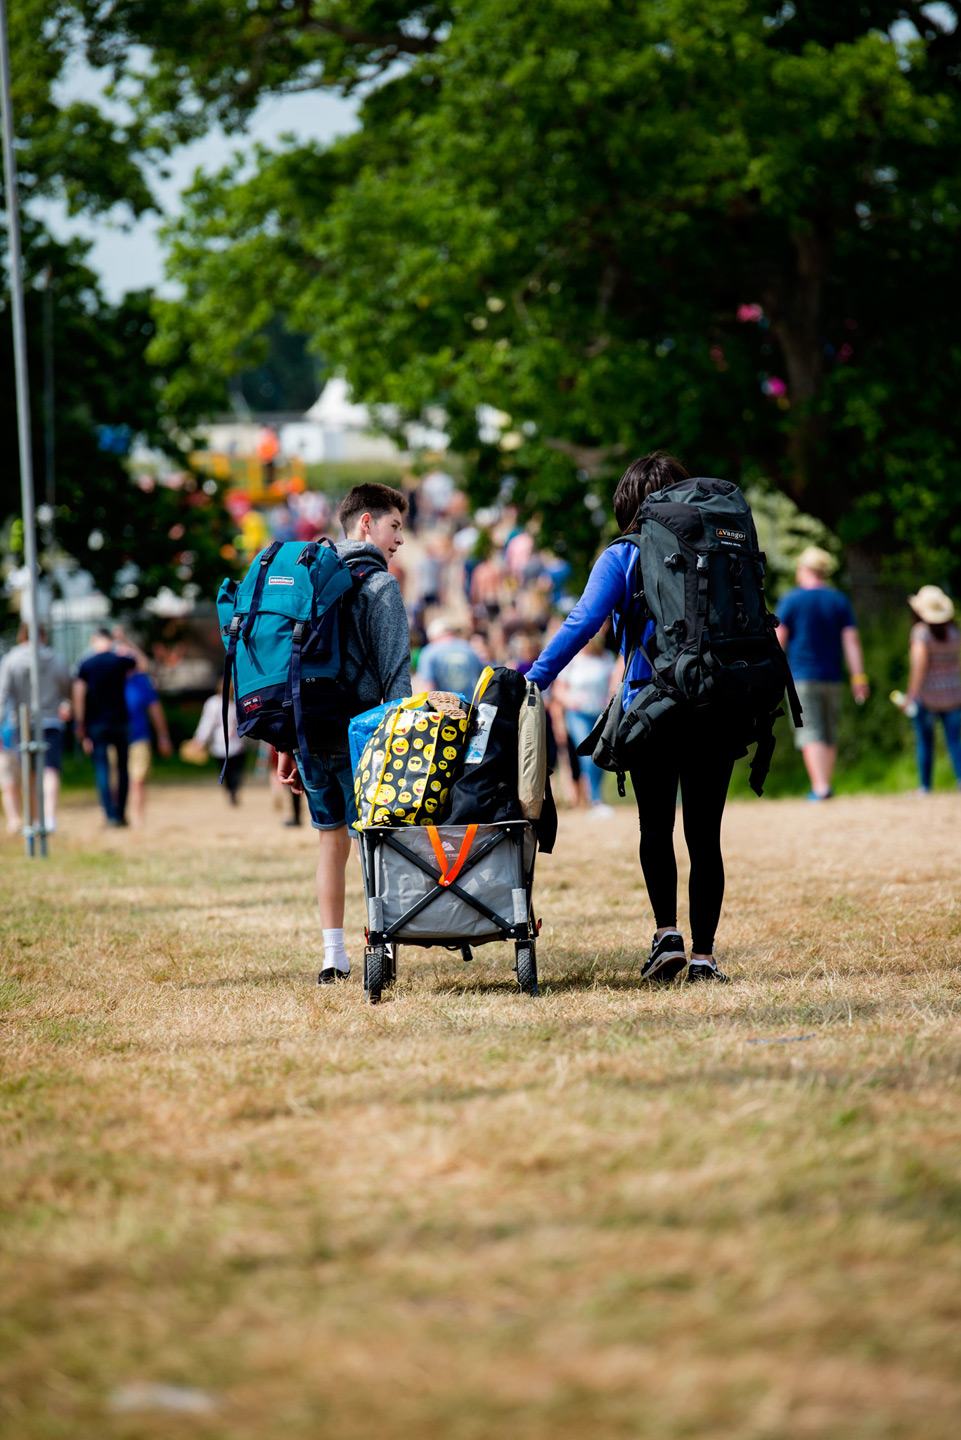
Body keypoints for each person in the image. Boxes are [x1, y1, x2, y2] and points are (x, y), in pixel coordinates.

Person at [527, 451, 737, 984]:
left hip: (653, 706)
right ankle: (706, 958)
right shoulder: (718, 545)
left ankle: (667, 934)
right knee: (705, 835)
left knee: (656, 826)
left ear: (629, 503)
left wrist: (535, 678)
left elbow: (584, 621)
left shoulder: (624, 553)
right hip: (717, 703)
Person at [278, 483, 412, 984]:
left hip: (310, 736)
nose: (400, 539)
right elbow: (397, 676)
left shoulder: (308, 578)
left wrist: (285, 745)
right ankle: (382, 945)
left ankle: (333, 955)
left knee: (329, 843)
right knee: (378, 842)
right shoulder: (380, 586)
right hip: (365, 740)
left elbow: (288, 667)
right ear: (366, 524)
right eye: (395, 526)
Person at [775, 546, 869, 801]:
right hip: (832, 676)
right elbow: (851, 642)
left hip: (801, 676)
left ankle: (820, 787)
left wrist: (771, 673)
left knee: (810, 730)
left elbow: (779, 639)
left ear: (804, 569)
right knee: (828, 729)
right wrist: (858, 677)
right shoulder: (838, 600)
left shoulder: (791, 600)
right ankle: (824, 784)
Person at [0, 622, 72, 832]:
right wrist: (67, 705)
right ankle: (49, 816)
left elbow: (3, 695)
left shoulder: (12, 659)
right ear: (43, 636)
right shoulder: (56, 659)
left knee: (28, 774)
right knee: (50, 770)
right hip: (50, 721)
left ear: (22, 637)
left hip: (21, 723)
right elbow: (68, 687)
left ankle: (34, 818)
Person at [73, 627, 144, 827]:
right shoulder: (119, 660)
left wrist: (80, 723)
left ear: (94, 641)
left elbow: (79, 694)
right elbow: (140, 664)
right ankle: (121, 814)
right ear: (110, 640)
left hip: (96, 723)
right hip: (121, 721)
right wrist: (126, 642)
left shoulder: (86, 664)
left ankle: (109, 815)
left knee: (102, 769)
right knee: (122, 769)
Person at [901, 585, 961, 792]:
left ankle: (925, 786)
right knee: (955, 741)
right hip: (954, 694)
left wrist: (911, 695)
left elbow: (920, 666)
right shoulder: (953, 632)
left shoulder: (920, 633)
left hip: (927, 696)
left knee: (925, 741)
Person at [553, 634, 616, 817]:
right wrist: (570, 701)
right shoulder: (573, 660)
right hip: (578, 713)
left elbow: (612, 683)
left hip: (600, 713)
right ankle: (594, 798)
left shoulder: (606, 658)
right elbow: (559, 690)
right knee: (586, 754)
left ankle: (597, 796)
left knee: (601, 753)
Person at [122, 659, 173, 827]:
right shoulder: (109, 677)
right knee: (117, 781)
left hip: (139, 737)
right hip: (116, 737)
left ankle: (138, 819)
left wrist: (163, 735)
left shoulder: (141, 680)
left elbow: (155, 709)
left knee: (138, 779)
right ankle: (118, 815)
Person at [192, 680, 248, 804]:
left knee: (230, 772)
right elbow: (207, 724)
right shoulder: (215, 704)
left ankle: (232, 790)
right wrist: (200, 740)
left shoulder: (234, 704)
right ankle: (232, 790)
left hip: (231, 745)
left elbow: (206, 724)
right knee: (233, 772)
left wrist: (200, 740)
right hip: (225, 744)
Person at [414, 616, 484, 697]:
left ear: (432, 637)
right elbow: (483, 679)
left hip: (441, 707)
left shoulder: (430, 651)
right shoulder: (470, 649)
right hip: (468, 706)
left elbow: (426, 686)